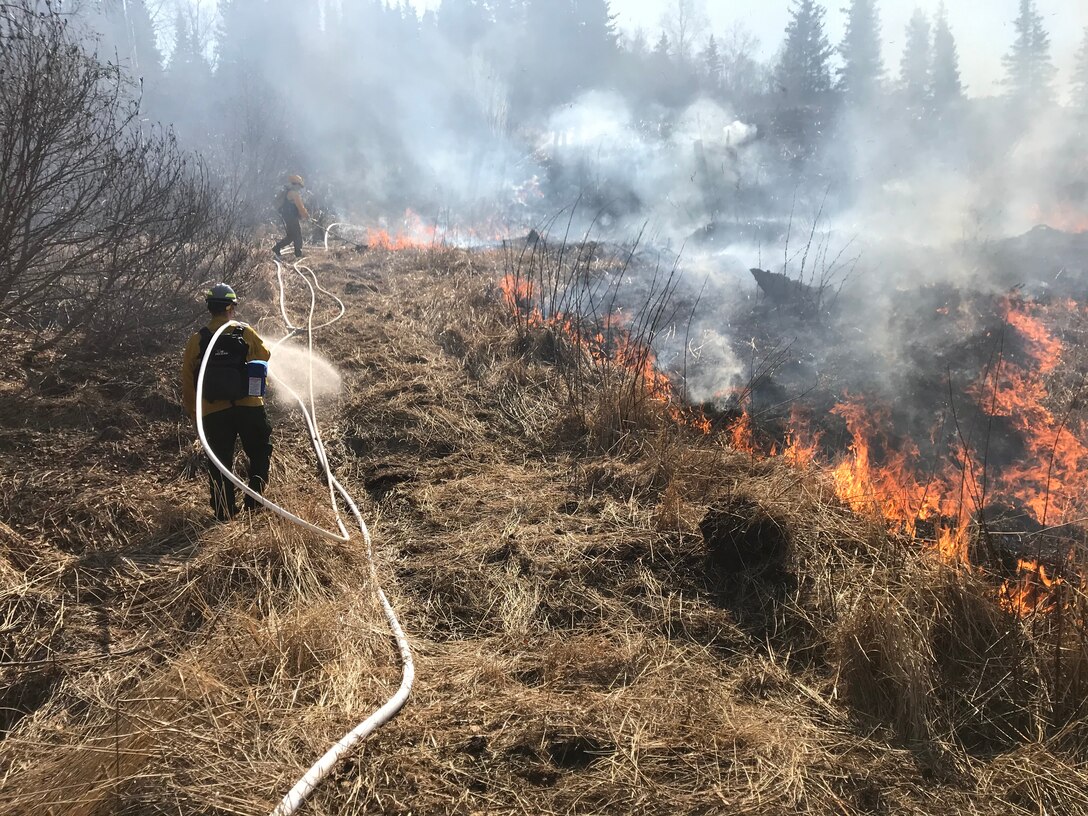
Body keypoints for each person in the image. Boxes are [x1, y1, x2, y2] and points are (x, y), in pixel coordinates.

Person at [181, 283, 273, 520]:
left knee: (219, 462)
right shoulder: (244, 332)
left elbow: (188, 380)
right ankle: (254, 502)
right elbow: (264, 356)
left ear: (210, 308)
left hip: (213, 412)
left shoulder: (197, 340)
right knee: (260, 452)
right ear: (231, 307)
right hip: (249, 407)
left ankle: (224, 512)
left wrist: (194, 413)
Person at [273, 174, 310, 260]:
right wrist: (306, 216)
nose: (300, 188)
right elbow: (300, 207)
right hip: (291, 217)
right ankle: (298, 253)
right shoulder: (294, 194)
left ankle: (277, 247)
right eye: (300, 186)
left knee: (291, 236)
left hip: (287, 216)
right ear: (296, 184)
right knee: (297, 234)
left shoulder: (287, 191)